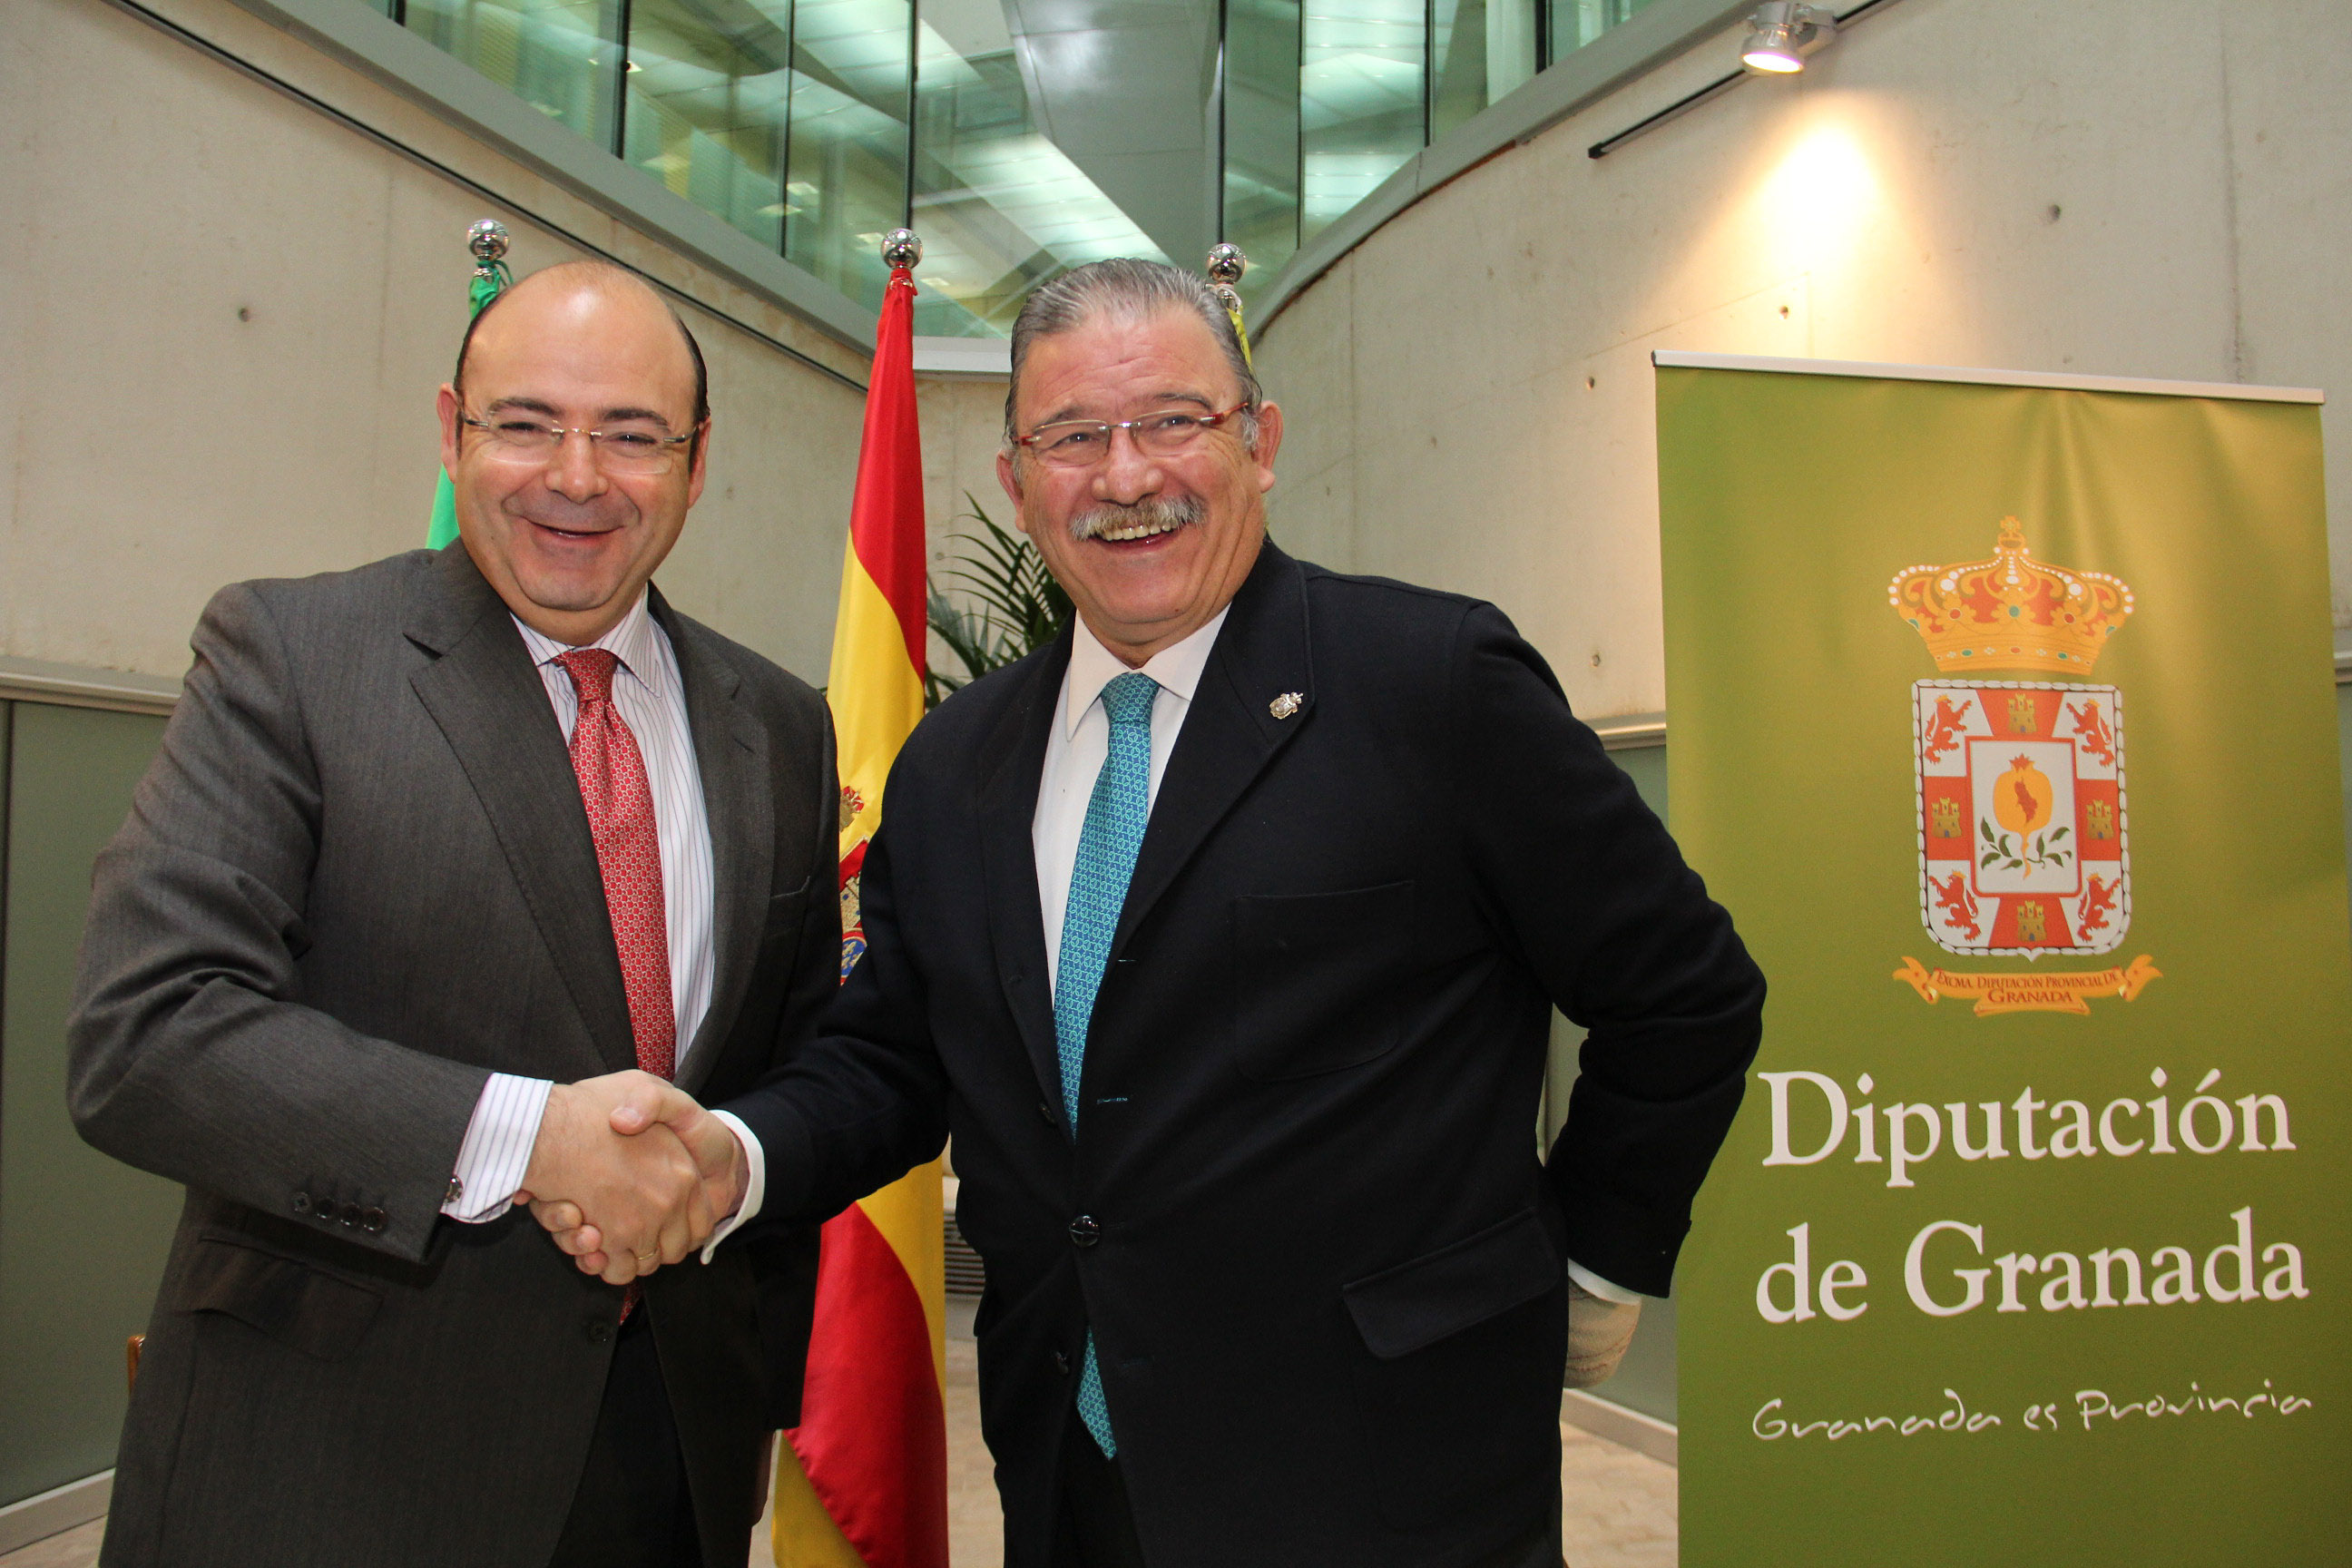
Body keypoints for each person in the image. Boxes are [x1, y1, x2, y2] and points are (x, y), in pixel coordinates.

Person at [551, 258, 1767, 1567]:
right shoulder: (955, 763)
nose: (1126, 477)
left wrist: (1591, 1261)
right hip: (1074, 1467)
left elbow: (1684, 992)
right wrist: (733, 1157)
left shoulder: (1434, 686)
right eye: (1072, 437)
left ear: (1261, 442)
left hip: (1390, 1474)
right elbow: (894, 1057)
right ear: (1017, 482)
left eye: (1174, 421)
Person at [65, 260, 836, 1568]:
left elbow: (794, 1062)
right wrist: (534, 1140)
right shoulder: (291, 656)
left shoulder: (780, 722)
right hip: (333, 1470)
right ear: (451, 430)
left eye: (632, 434)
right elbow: (148, 1033)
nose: (576, 477)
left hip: (664, 1464)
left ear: (698, 461)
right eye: (526, 422)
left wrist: (742, 1317)